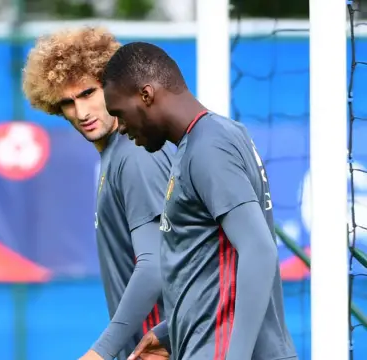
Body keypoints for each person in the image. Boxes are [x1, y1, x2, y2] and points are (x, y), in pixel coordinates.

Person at [101, 41, 298, 360]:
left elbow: (258, 250)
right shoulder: (209, 139)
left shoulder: (209, 148)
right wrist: (167, 332)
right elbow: (210, 267)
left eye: (120, 115)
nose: (121, 128)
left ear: (146, 95)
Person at [22, 28, 174, 360]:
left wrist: (99, 353)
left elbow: (154, 266)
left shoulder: (137, 153)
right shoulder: (116, 154)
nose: (81, 112)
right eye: (67, 102)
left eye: (89, 93)